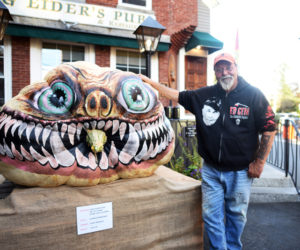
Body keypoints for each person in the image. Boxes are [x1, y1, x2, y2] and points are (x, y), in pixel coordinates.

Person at [139, 52, 276, 250]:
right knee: (211, 216)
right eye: (219, 69)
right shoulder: (205, 95)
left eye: (228, 67)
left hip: (240, 171)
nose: (224, 72)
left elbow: (269, 128)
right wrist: (149, 82)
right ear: (215, 73)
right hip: (212, 170)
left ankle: (232, 247)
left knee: (237, 216)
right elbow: (176, 95)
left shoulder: (253, 95)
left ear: (236, 68)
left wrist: (260, 162)